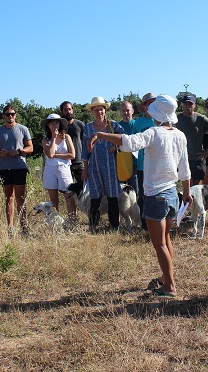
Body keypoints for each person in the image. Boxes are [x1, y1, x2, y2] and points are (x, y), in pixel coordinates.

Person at [89, 95, 191, 297]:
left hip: (155, 194)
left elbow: (128, 143)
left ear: (157, 114)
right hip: (172, 193)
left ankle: (169, 286)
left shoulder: (153, 133)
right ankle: (164, 278)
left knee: (159, 243)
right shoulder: (180, 135)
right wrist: (186, 193)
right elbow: (185, 169)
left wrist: (101, 135)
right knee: (166, 238)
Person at [81, 96, 124, 232]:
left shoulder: (113, 125)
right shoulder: (88, 128)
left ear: (105, 110)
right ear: (92, 111)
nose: (99, 112)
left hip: (111, 166)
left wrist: (116, 147)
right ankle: (93, 226)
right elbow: (84, 151)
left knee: (112, 197)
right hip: (94, 167)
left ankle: (114, 227)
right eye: (96, 110)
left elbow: (125, 139)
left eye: (101, 109)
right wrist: (85, 169)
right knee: (95, 197)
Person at [0, 104, 33, 235]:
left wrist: (20, 152)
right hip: (4, 168)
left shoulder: (23, 129)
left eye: (13, 114)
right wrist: (0, 153)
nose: (10, 116)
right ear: (3, 116)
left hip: (19, 167)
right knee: (9, 197)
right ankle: (10, 228)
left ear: (16, 115)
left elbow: (30, 148)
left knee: (20, 197)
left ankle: (24, 227)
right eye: (8, 114)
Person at [176, 94, 208, 186]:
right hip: (181, 159)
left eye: (190, 104)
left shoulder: (201, 118)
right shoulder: (176, 118)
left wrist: (207, 151)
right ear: (182, 105)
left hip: (196, 159)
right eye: (186, 103)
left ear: (194, 105)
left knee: (195, 188)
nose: (188, 106)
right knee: (186, 186)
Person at [40, 113, 75, 214]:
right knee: (53, 199)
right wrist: (54, 138)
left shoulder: (66, 137)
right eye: (52, 123)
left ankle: (72, 220)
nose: (54, 125)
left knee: (68, 195)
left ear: (60, 124)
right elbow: (50, 154)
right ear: (48, 125)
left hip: (64, 168)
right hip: (50, 169)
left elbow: (72, 155)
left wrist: (57, 155)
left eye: (56, 122)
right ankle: (55, 221)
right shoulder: (45, 140)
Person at [134, 93, 157, 230]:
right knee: (143, 196)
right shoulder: (138, 123)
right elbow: (134, 143)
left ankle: (158, 222)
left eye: (154, 103)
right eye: (149, 103)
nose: (152, 106)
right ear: (144, 107)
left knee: (157, 195)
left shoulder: (159, 121)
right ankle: (145, 225)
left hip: (157, 166)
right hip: (143, 166)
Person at [60, 101, 85, 188]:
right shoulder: (59, 126)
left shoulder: (80, 124)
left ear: (73, 110)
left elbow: (85, 142)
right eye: (66, 109)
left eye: (70, 109)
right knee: (66, 189)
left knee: (84, 187)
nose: (68, 111)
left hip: (79, 161)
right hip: (64, 162)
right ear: (62, 111)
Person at [118, 100, 139, 194]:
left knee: (135, 192)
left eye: (128, 110)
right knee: (121, 192)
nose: (126, 112)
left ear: (132, 111)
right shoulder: (117, 126)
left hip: (135, 164)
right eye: (123, 110)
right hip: (121, 164)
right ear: (120, 112)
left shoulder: (137, 124)